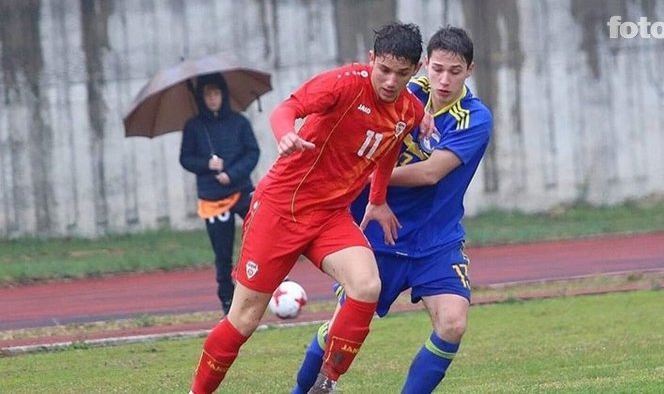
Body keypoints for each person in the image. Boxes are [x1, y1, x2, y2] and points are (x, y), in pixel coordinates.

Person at [189, 21, 427, 394]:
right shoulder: (345, 83)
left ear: (416, 69)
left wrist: (378, 199)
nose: (391, 81)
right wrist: (286, 134)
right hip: (281, 209)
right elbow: (288, 108)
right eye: (384, 70)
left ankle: (326, 384)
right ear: (371, 60)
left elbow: (389, 148)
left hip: (330, 217)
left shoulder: (409, 111)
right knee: (244, 319)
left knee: (366, 285)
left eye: (401, 73)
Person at [291, 26, 493, 394]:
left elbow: (431, 173)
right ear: (424, 66)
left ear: (470, 70)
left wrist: (367, 178)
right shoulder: (402, 93)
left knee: (452, 323)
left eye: (455, 71)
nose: (444, 79)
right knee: (340, 329)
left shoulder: (474, 118)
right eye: (437, 69)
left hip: (435, 239)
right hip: (378, 233)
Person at [180, 73, 260, 316]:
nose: (212, 99)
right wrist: (207, 164)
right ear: (201, 98)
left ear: (223, 95)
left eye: (216, 93)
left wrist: (232, 174)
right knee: (222, 252)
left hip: (242, 190)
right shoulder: (194, 127)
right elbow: (186, 159)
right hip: (213, 197)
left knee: (262, 235)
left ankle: (275, 283)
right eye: (207, 94)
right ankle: (227, 299)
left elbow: (252, 153)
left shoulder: (239, 122)